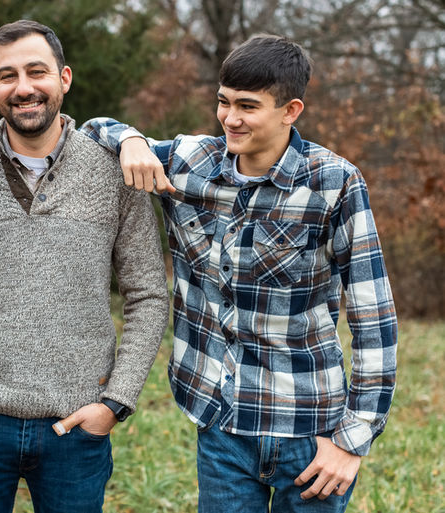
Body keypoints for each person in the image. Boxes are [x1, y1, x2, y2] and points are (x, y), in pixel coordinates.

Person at [80, 35, 397, 513]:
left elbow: (374, 318)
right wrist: (130, 140)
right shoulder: (191, 164)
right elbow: (90, 131)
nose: (230, 118)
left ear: (291, 110)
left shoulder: (333, 184)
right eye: (223, 102)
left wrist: (353, 440)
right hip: (220, 422)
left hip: (309, 431)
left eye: (248, 106)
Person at [0, 20, 169, 513]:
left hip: (77, 427)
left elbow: (147, 294)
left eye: (37, 72)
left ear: (64, 78)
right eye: (7, 76)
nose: (23, 87)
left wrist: (115, 402)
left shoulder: (113, 169)